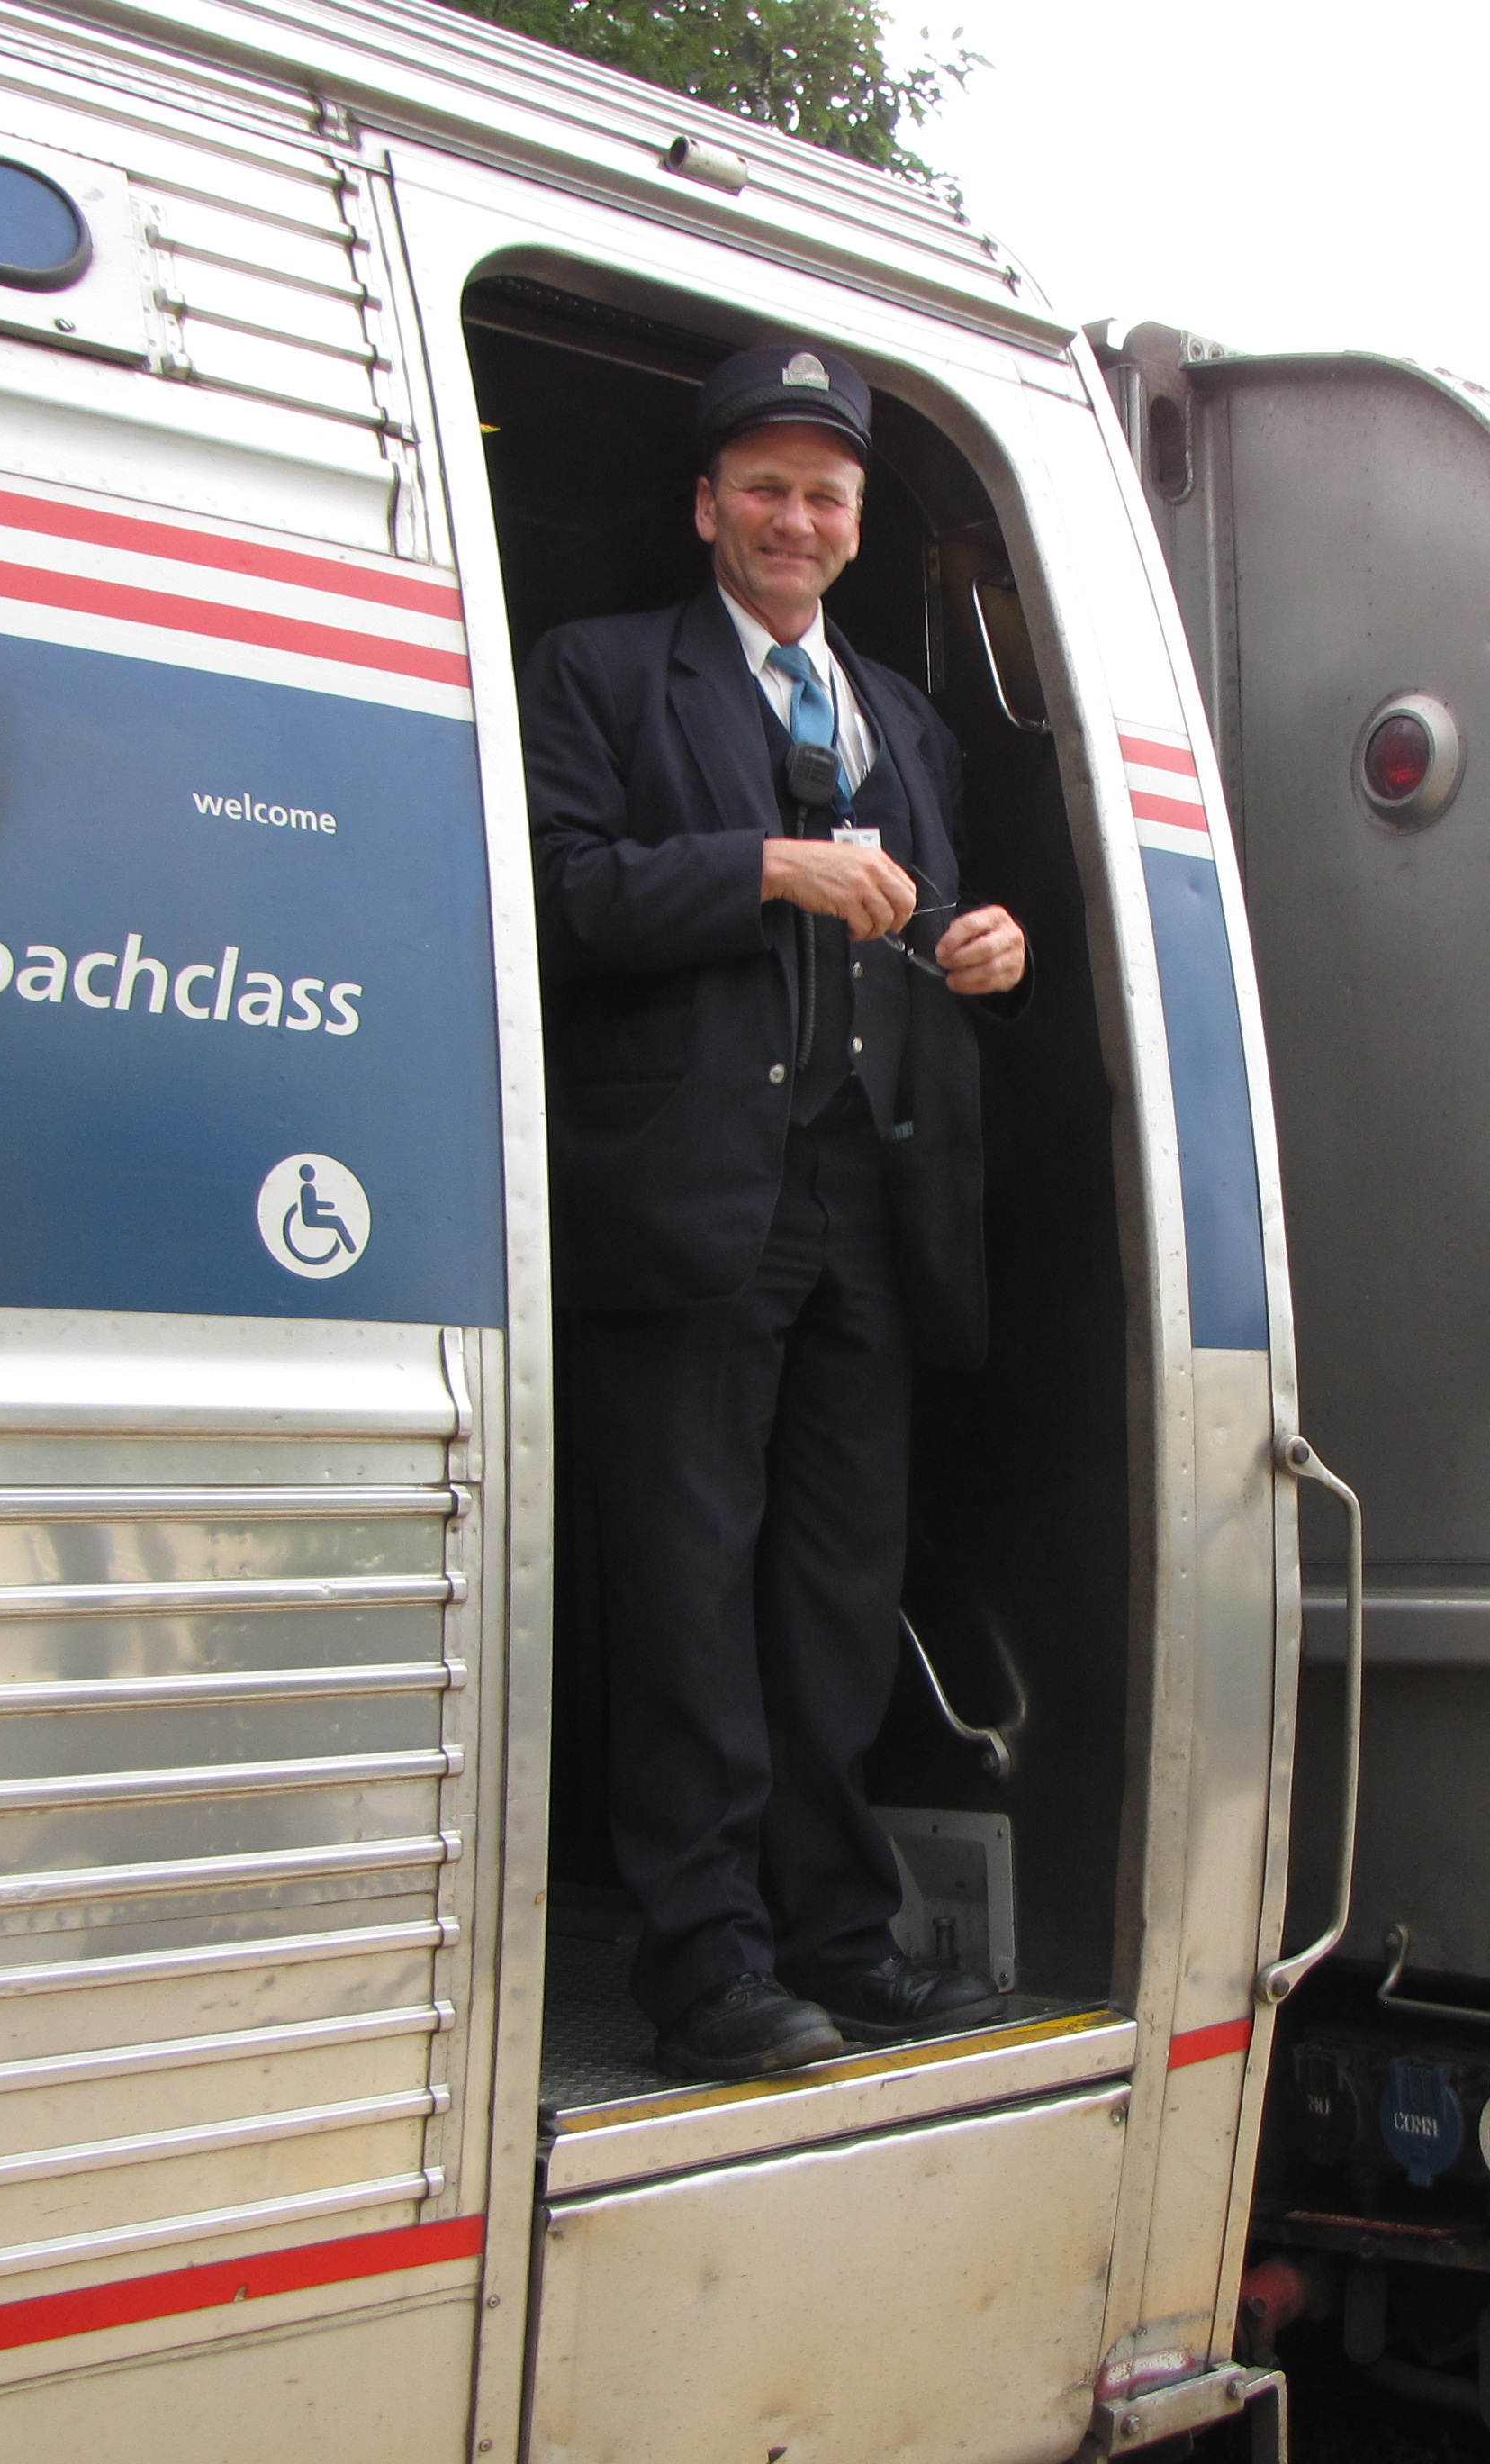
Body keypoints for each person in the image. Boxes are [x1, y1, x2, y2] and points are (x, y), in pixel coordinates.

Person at [521, 340, 1031, 2079]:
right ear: (706, 507)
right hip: (685, 1200)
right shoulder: (597, 675)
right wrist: (763, 866)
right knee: (683, 1595)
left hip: (868, 1208)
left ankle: (838, 1938)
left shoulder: (907, 715)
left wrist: (987, 949)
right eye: (764, 486)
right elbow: (562, 893)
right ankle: (702, 1963)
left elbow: (932, 925)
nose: (794, 517)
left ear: (857, 522)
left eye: (826, 494)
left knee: (831, 1597)